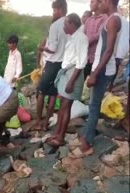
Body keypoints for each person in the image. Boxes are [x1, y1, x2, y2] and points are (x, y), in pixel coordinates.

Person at [69, 0, 122, 159]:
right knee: (93, 105)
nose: (99, 3)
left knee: (93, 107)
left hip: (103, 69)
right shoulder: (111, 18)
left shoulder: (113, 20)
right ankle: (87, 137)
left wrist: (94, 73)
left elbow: (108, 50)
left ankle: (87, 145)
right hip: (101, 67)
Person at [46, 14, 89, 146]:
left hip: (73, 74)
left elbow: (81, 62)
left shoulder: (81, 38)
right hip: (67, 73)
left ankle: (60, 137)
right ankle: (58, 133)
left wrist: (71, 81)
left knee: (65, 107)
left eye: (65, 24)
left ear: (72, 24)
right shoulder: (73, 37)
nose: (64, 26)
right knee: (63, 105)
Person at [34, 0, 68, 131]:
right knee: (53, 93)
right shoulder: (70, 23)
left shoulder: (56, 25)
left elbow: (52, 49)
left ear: (60, 9)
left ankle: (38, 121)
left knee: (41, 92)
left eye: (54, 10)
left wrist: (42, 48)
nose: (53, 13)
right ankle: (46, 122)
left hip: (53, 63)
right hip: (63, 64)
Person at [83, 0, 108, 81]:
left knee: (93, 83)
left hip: (97, 59)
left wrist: (85, 43)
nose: (90, 4)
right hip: (86, 57)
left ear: (99, 3)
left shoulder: (105, 18)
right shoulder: (89, 20)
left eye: (92, 2)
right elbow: (84, 34)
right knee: (83, 83)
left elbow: (98, 36)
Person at [108, 16, 129, 91]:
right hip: (119, 49)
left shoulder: (119, 20)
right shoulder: (125, 22)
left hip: (118, 49)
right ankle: (110, 85)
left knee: (115, 65)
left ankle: (110, 85)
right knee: (116, 65)